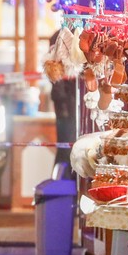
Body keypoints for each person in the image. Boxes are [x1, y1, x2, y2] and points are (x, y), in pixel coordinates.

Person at [49, 29, 77, 178]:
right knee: (66, 148)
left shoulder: (62, 35)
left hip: (72, 103)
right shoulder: (58, 37)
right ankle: (62, 184)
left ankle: (65, 182)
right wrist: (63, 104)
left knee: (69, 148)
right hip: (66, 105)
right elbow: (54, 72)